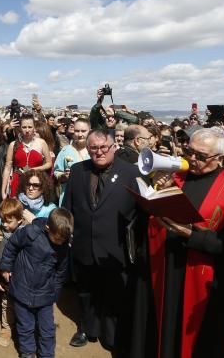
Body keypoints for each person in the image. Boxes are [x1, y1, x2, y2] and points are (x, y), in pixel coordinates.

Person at [130, 128, 224, 358]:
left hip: (203, 281)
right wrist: (157, 191)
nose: (191, 159)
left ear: (218, 158)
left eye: (200, 156)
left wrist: (192, 235)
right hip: (165, 271)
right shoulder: (177, 177)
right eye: (189, 152)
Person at [61, 128, 140, 352]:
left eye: (104, 147)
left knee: (113, 293)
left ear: (114, 147)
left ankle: (111, 333)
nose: (99, 152)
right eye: (93, 148)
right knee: (85, 292)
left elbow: (138, 212)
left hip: (115, 247)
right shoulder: (77, 170)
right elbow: (69, 206)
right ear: (88, 149)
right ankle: (87, 328)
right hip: (84, 245)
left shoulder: (131, 173)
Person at [0, 208, 73, 358]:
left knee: (47, 330)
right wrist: (6, 267)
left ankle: (47, 354)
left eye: (63, 240)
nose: (60, 242)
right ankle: (28, 352)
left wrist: (55, 293)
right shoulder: (30, 233)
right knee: (25, 326)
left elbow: (60, 273)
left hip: (45, 294)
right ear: (47, 228)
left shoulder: (63, 247)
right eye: (57, 239)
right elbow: (12, 245)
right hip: (22, 289)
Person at [0, 198, 25, 348]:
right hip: (5, 282)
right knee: (6, 305)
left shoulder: (27, 235)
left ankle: (23, 330)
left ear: (20, 220)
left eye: (9, 221)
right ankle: (6, 329)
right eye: (2, 220)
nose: (4, 224)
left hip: (24, 282)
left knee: (23, 307)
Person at [2, 113, 52, 199]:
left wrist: (34, 169)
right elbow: (7, 168)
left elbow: (49, 163)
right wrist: (3, 190)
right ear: (20, 128)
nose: (27, 130)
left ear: (34, 128)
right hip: (17, 182)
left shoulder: (41, 143)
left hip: (36, 183)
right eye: (24, 127)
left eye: (30, 127)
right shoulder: (13, 145)